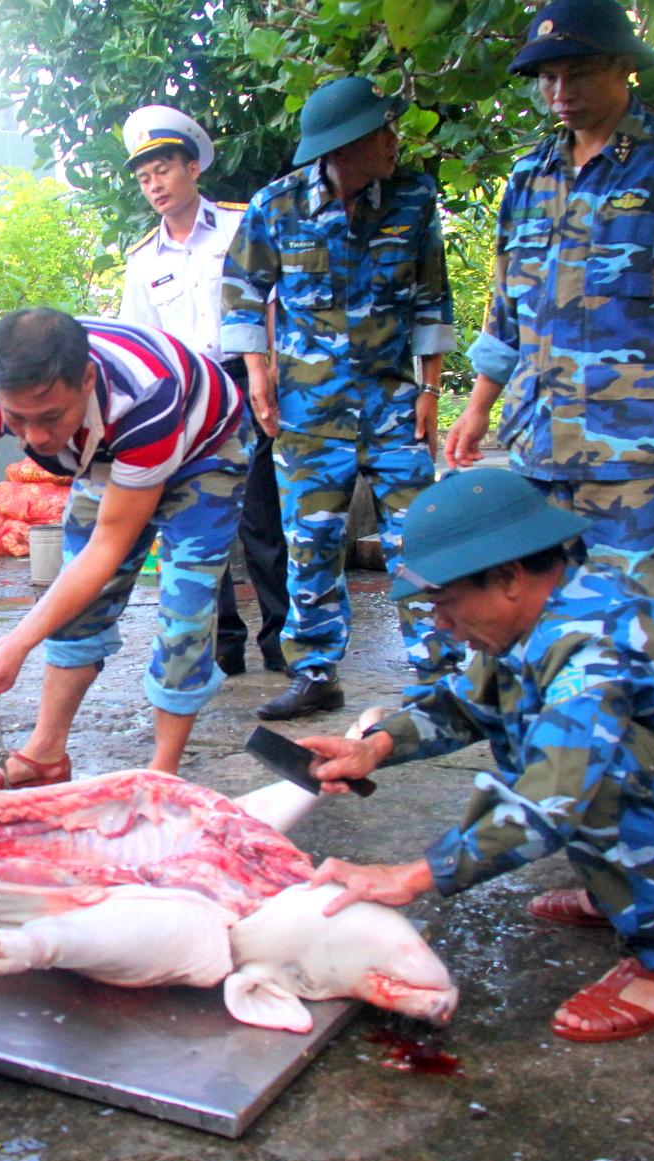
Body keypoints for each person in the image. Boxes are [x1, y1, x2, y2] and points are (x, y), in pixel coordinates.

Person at [295, 468, 654, 1042]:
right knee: (550, 732)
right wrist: (372, 748)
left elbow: (555, 794)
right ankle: (624, 895)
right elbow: (468, 702)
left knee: (597, 768)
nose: (443, 625)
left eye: (447, 603)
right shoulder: (543, 616)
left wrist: (414, 875)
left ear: (508, 576)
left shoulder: (592, 640)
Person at [443, 0, 654, 604]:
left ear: (621, 68)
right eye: (547, 78)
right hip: (538, 445)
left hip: (631, 447)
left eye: (578, 73)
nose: (560, 92)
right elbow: (508, 307)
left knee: (637, 622)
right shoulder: (529, 175)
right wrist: (478, 406)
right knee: (541, 614)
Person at [0, 307, 246, 788]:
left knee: (185, 612)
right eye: (18, 421)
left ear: (86, 379)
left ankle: (163, 777)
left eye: (50, 418)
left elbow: (108, 547)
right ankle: (44, 753)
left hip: (204, 449)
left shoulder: (144, 394)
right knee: (73, 601)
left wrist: (19, 641)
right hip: (109, 456)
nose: (37, 439)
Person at [222, 75, 460, 721]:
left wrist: (431, 386)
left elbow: (432, 299)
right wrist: (259, 374)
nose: (393, 141)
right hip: (308, 409)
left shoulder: (412, 199)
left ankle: (439, 675)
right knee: (311, 540)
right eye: (381, 131)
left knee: (422, 536)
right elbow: (243, 290)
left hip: (390, 401)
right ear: (344, 145)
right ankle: (317, 671)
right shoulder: (276, 206)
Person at [118, 104, 290, 676]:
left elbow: (270, 304)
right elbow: (142, 342)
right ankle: (224, 643)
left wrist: (268, 373)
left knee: (260, 516)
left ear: (192, 167)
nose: (154, 185)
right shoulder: (142, 260)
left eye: (163, 170)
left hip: (247, 378)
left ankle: (279, 637)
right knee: (198, 515)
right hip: (189, 396)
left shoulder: (241, 226)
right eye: (144, 178)